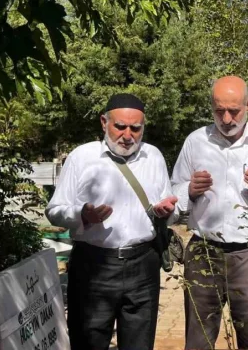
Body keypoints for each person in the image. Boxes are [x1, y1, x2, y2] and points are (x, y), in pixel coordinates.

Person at [171, 76, 248, 349]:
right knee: (198, 339)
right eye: (219, 111)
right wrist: (189, 191)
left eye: (234, 111)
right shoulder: (195, 141)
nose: (226, 118)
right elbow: (174, 190)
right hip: (203, 252)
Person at [46, 93, 178, 350]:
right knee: (89, 341)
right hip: (93, 266)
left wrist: (166, 212)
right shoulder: (82, 157)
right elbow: (54, 210)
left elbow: (168, 207)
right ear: (104, 122)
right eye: (120, 126)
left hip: (144, 265)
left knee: (140, 343)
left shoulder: (154, 157)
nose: (128, 135)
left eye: (135, 128)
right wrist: (82, 215)